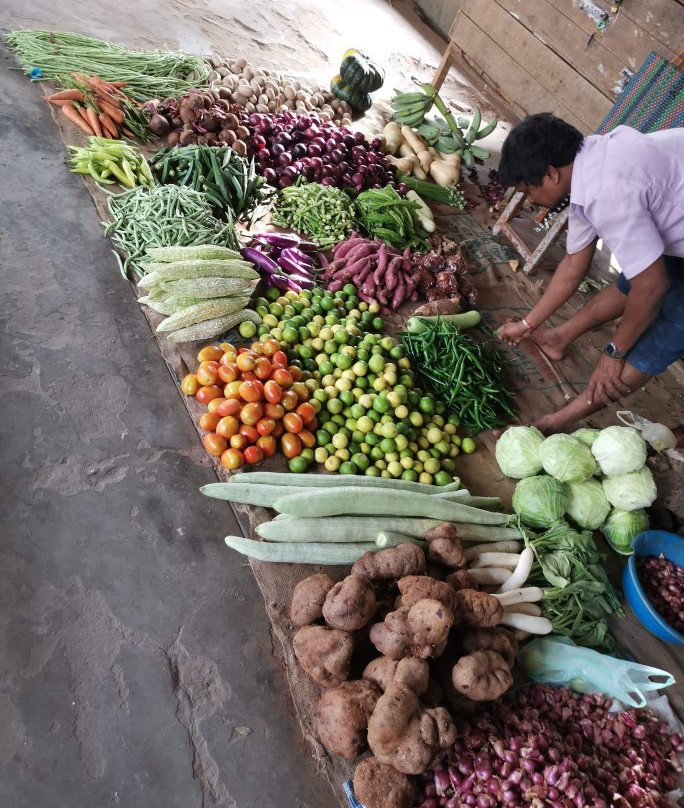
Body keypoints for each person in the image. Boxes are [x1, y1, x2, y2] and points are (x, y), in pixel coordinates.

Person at [496, 113, 684, 434]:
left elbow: (651, 286)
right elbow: (573, 265)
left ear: (551, 174)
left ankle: (553, 423)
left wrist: (614, 351)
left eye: (527, 191)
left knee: (668, 326)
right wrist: (528, 325)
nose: (529, 200)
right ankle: (557, 338)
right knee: (635, 281)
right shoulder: (587, 168)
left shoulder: (606, 192)